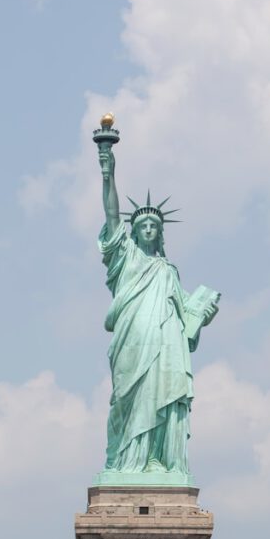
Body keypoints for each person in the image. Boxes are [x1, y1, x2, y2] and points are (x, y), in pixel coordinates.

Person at [96, 140, 220, 479]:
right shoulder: (125, 258)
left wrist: (201, 315)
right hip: (133, 337)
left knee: (161, 393)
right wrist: (108, 170)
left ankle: (156, 460)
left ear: (160, 233)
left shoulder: (168, 271)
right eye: (142, 226)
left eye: (154, 226)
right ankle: (125, 461)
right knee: (129, 397)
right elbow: (110, 216)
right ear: (133, 233)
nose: (148, 229)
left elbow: (186, 319)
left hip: (166, 344)